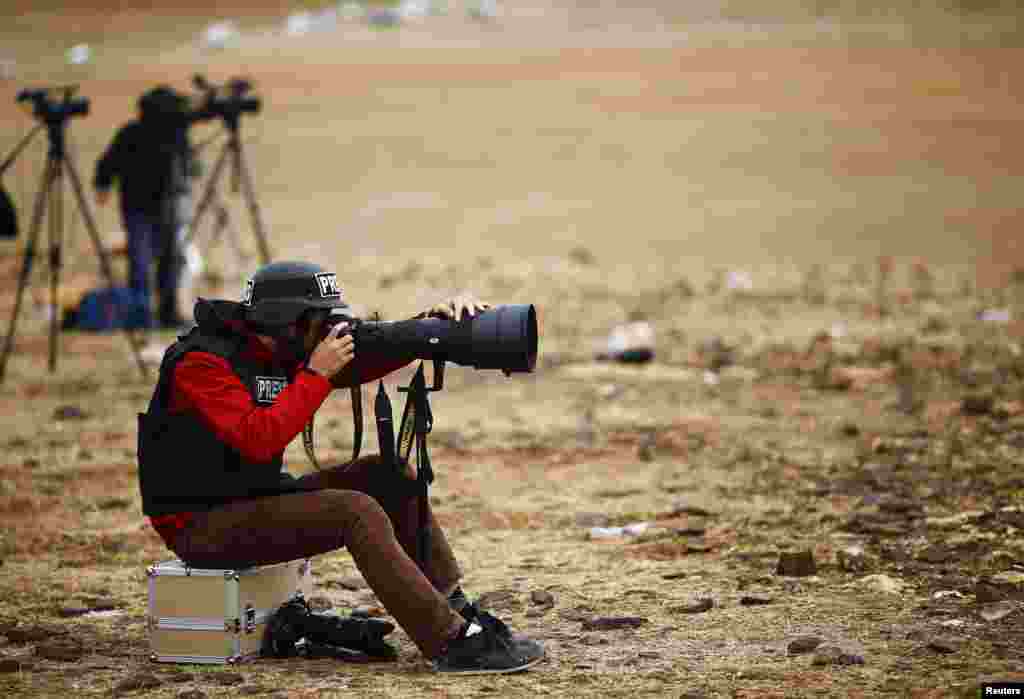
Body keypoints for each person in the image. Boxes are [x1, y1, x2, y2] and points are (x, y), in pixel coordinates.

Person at [136, 260, 546, 674]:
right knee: (355, 511)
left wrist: (434, 327)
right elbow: (258, 439)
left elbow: (375, 352)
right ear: (288, 321)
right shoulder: (201, 363)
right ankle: (450, 644)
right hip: (200, 524)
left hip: (252, 500)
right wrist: (316, 374)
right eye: (321, 319)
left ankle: (458, 612)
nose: (332, 328)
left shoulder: (282, 346)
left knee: (390, 477)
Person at [93, 85, 203, 329]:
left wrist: (102, 185)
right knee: (141, 262)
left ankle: (166, 313)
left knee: (168, 260)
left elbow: (193, 168)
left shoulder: (174, 136)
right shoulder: (132, 135)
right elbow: (108, 164)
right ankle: (141, 315)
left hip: (167, 208)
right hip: (139, 209)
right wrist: (102, 185)